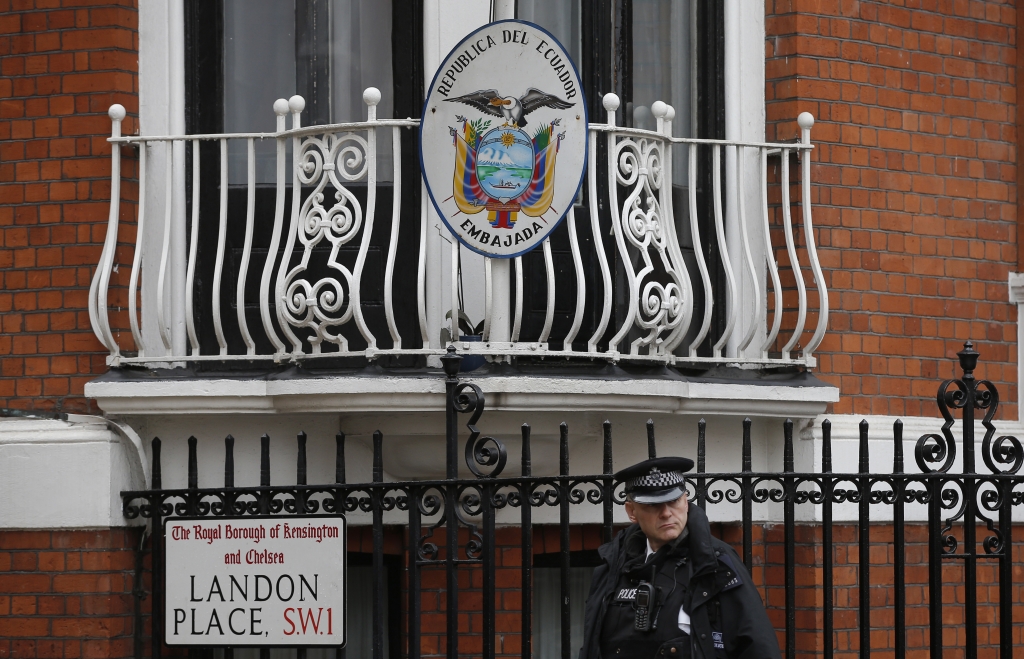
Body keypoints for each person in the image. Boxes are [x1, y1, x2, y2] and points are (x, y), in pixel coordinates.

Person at [579, 457, 781, 659]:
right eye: (653, 505)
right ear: (632, 511)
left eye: (673, 501)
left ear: (685, 501)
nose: (666, 513)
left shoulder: (715, 562)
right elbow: (592, 643)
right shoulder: (615, 562)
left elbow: (757, 646)